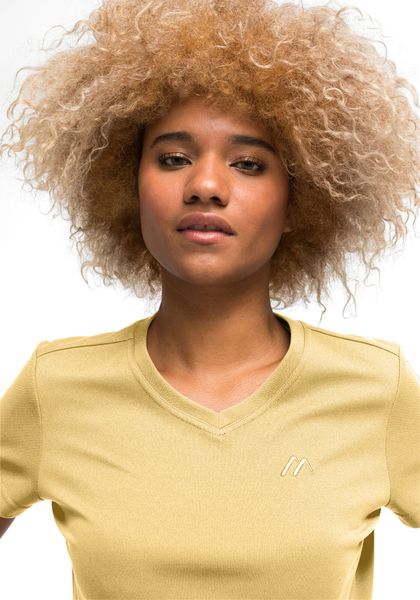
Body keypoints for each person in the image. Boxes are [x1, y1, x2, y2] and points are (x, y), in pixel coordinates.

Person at [1, 0, 419, 598]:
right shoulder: (57, 386)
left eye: (248, 163)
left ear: (300, 198)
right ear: (127, 184)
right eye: (173, 159)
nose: (205, 186)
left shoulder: (376, 387)